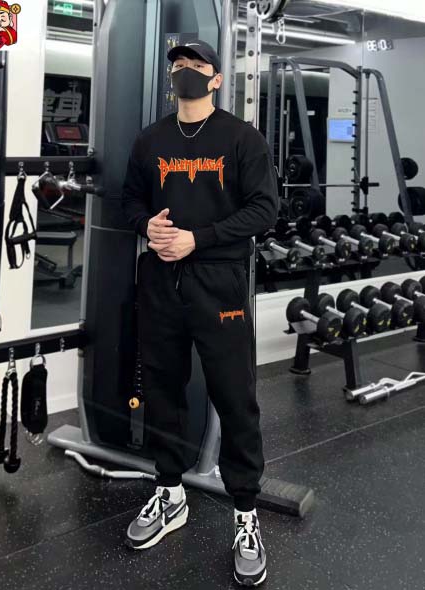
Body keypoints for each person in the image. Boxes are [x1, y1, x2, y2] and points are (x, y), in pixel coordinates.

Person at [121, 39, 278, 587]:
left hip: (218, 280)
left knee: (234, 395)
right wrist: (147, 226)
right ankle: (170, 493)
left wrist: (199, 238)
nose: (184, 72)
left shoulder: (241, 138)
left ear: (216, 80)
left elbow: (265, 209)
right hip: (160, 279)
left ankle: (245, 511)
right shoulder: (151, 140)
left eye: (196, 66)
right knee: (162, 387)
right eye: (178, 65)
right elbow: (130, 200)